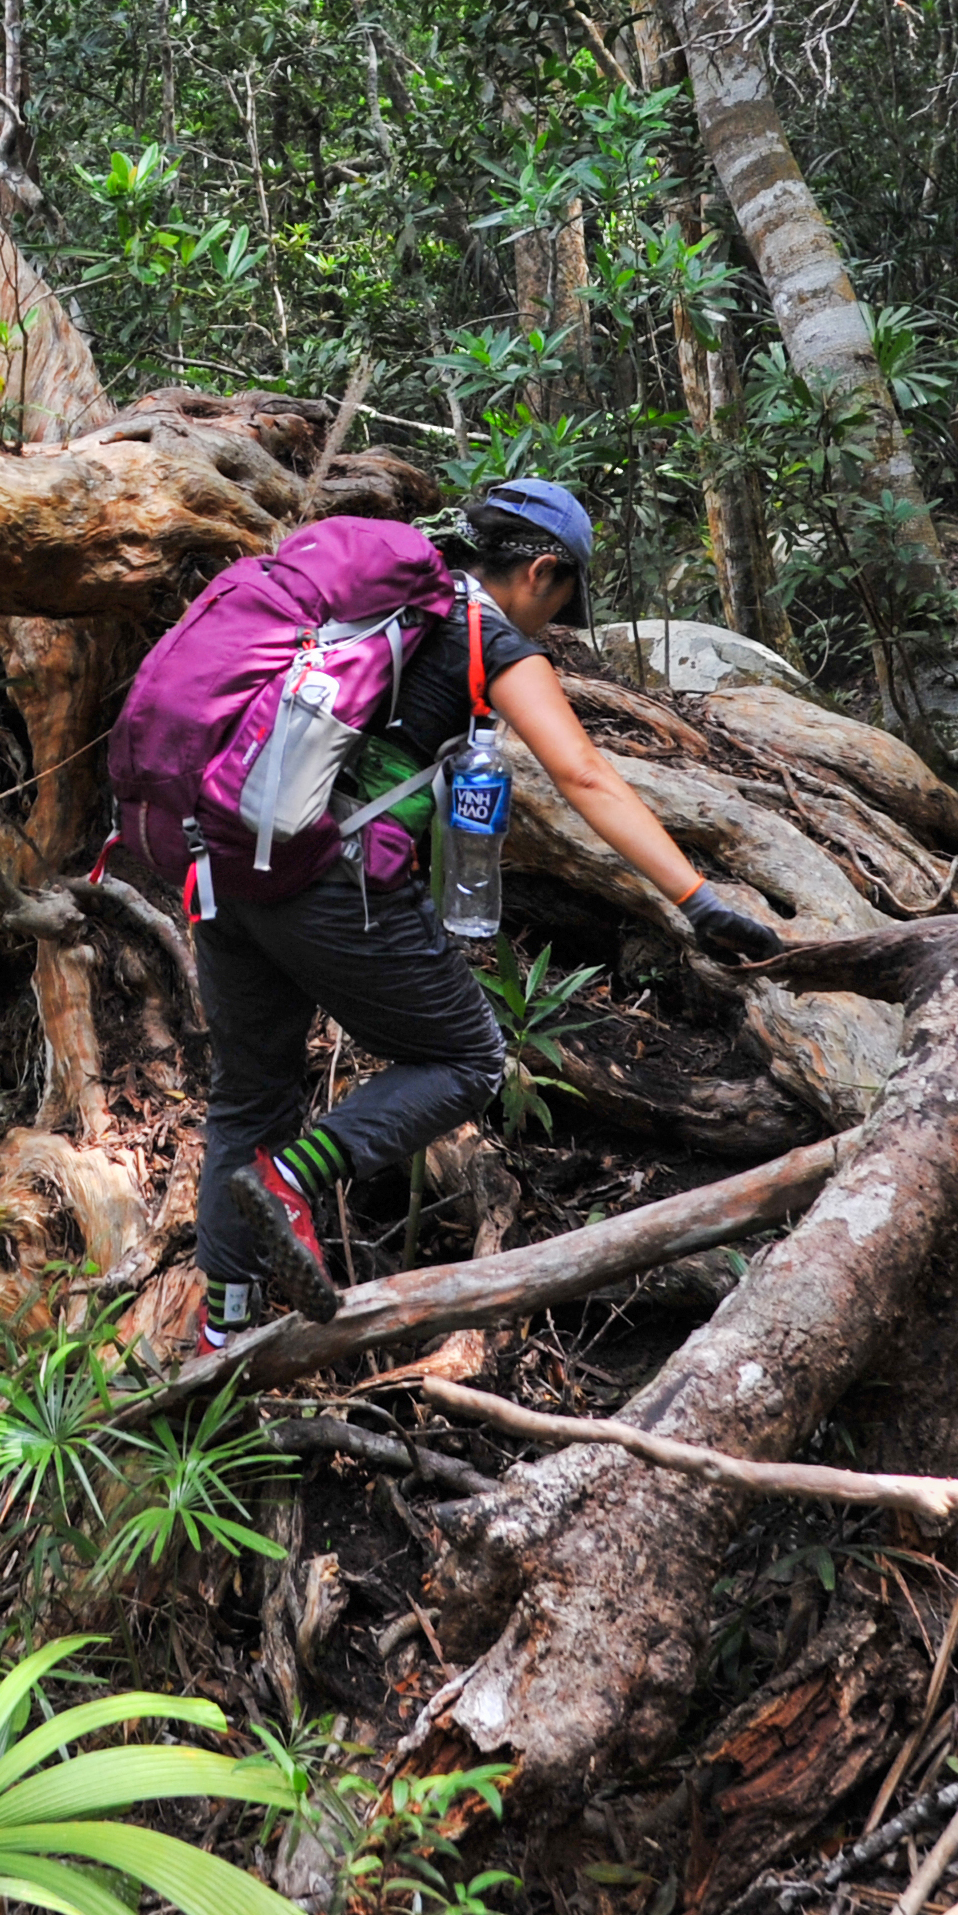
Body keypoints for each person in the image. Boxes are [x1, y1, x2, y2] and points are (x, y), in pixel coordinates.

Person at [197, 477, 785, 1342]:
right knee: (469, 1059)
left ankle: (223, 1334)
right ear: (542, 570)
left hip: (222, 865)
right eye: (563, 600)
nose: (556, 622)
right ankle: (291, 1179)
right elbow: (585, 775)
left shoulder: (371, 605)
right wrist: (697, 897)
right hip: (330, 879)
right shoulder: (487, 634)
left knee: (245, 1097)